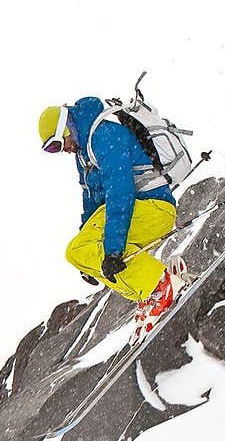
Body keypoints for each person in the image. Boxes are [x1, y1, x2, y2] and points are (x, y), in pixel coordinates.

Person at [38, 96, 179, 338]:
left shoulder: (104, 135)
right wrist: (89, 259)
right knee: (78, 253)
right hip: (142, 211)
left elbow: (120, 192)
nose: (61, 151)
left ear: (66, 128)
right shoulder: (85, 154)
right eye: (52, 149)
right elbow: (92, 203)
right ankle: (152, 292)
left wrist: (112, 249)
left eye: (57, 144)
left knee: (77, 251)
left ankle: (160, 284)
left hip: (154, 209)